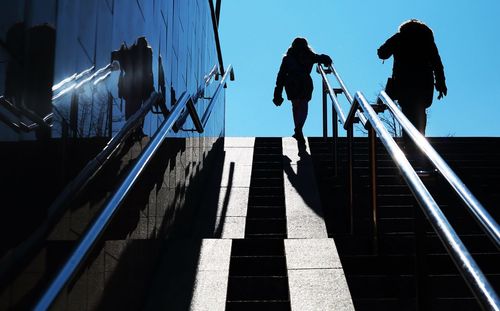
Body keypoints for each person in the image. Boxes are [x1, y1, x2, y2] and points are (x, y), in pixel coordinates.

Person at [378, 19, 447, 146]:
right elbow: (437, 63)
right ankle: (419, 142)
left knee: (407, 111)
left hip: (404, 81)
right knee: (420, 111)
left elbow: (382, 53)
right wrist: (441, 84)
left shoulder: (400, 37)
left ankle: (409, 143)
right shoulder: (427, 40)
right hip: (424, 83)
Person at [273, 37, 332, 143]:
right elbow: (321, 58)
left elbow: (281, 76)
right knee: (303, 106)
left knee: (295, 106)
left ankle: (297, 129)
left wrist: (277, 93)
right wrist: (327, 60)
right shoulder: (309, 55)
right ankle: (299, 128)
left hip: (291, 83)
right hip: (305, 82)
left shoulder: (287, 58)